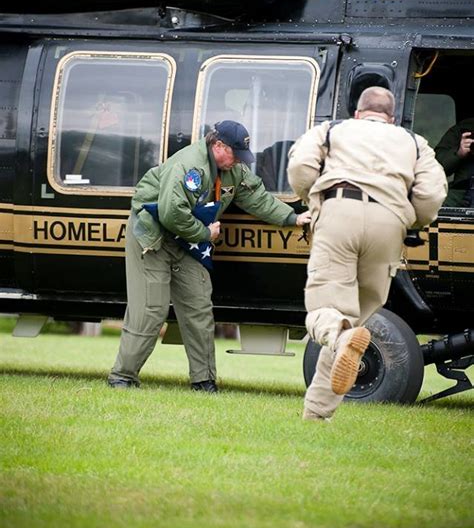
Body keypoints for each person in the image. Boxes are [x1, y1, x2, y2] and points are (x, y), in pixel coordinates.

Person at [108, 120, 311, 392]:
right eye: (235, 154)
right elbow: (170, 212)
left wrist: (293, 218)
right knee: (150, 311)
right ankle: (123, 377)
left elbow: (257, 199)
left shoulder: (233, 170)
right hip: (155, 238)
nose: (239, 161)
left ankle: (203, 381)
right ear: (217, 145)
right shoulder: (190, 167)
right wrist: (205, 234)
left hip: (188, 242)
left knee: (199, 309)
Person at [287, 86, 447, 422]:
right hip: (389, 222)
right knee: (353, 321)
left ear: (358, 113)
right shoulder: (414, 142)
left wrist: (314, 200)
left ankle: (342, 339)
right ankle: (317, 414)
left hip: (339, 210)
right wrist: (409, 219)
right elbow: (432, 194)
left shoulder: (332, 129)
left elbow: (300, 164)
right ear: (390, 117)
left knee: (326, 312)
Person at [435, 118, 474, 207]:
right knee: (430, 208)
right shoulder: (464, 128)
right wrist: (459, 153)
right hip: (462, 191)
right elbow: (436, 166)